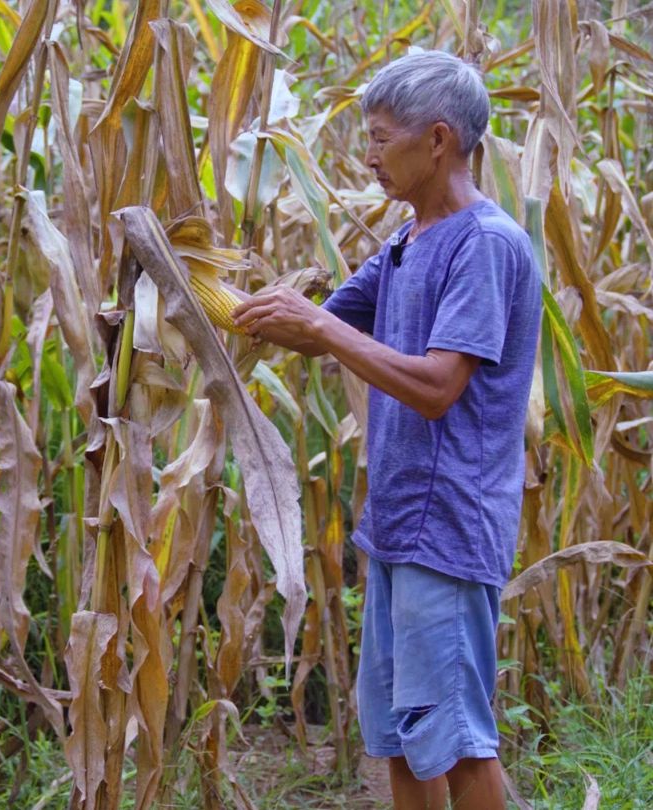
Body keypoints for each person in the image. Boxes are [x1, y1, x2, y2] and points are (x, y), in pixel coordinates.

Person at [232, 51, 541, 810]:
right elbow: (319, 328)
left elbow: (437, 387)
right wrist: (191, 290)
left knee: (458, 740)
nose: (367, 156)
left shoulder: (485, 244)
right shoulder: (407, 242)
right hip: (400, 523)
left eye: (378, 137)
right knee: (401, 741)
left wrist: (318, 329)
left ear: (438, 140)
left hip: (451, 523)